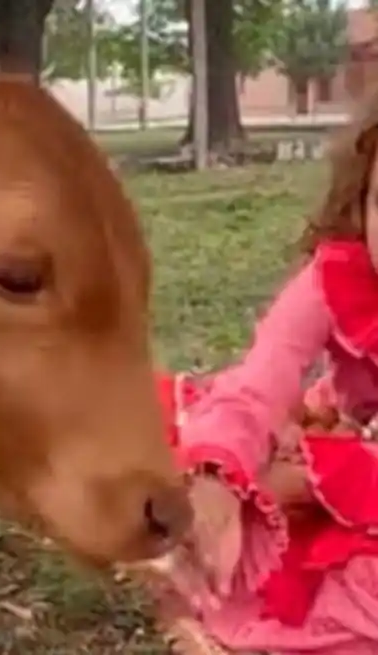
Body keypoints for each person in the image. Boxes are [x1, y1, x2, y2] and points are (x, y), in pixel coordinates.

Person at [152, 94, 378, 654]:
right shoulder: (335, 280)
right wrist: (217, 481)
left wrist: (300, 483)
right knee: (193, 432)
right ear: (361, 202)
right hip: (346, 438)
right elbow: (257, 385)